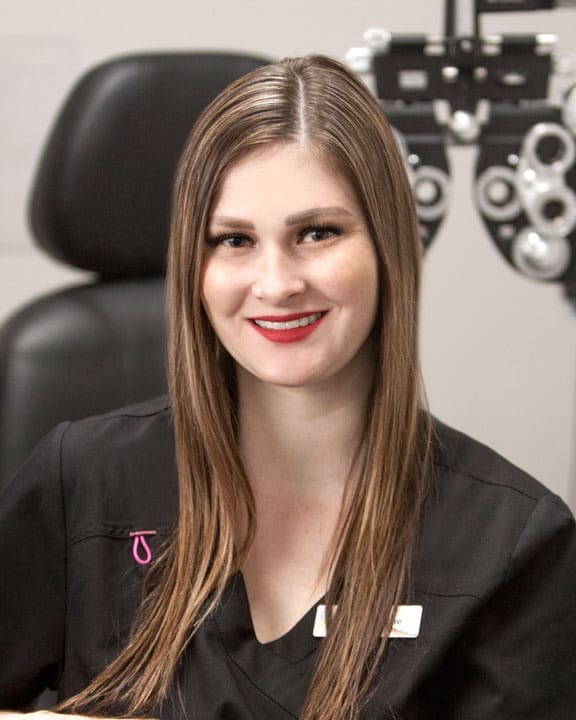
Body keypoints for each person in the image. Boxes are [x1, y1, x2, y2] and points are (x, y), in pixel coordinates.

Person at [1, 54, 575, 720]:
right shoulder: (85, 484)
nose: (276, 283)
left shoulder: (510, 544)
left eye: (317, 232)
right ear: (194, 261)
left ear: (389, 245)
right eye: (234, 240)